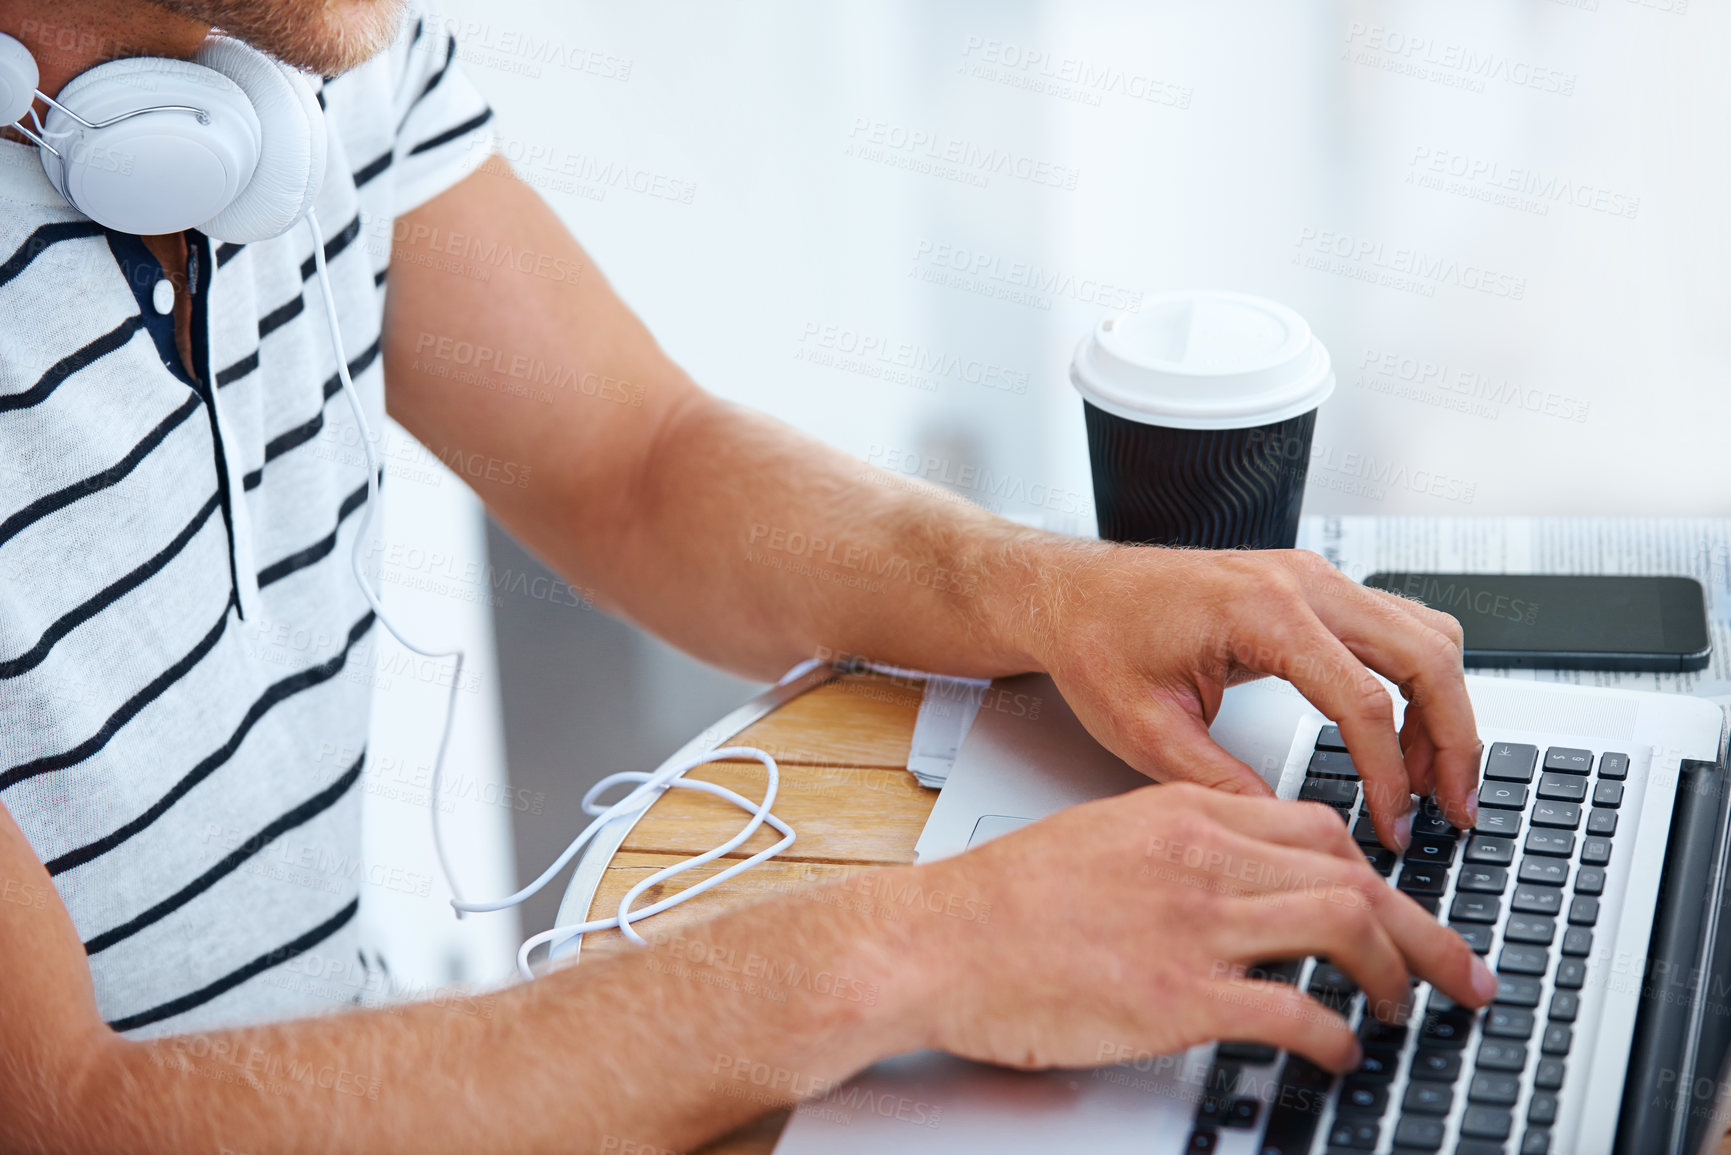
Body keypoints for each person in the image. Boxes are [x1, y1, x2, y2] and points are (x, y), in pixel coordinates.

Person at [0, 1, 1495, 1149]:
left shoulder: (291, 52)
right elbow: (68, 1117)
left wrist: (1050, 591)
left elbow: (635, 465)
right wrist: (919, 948)